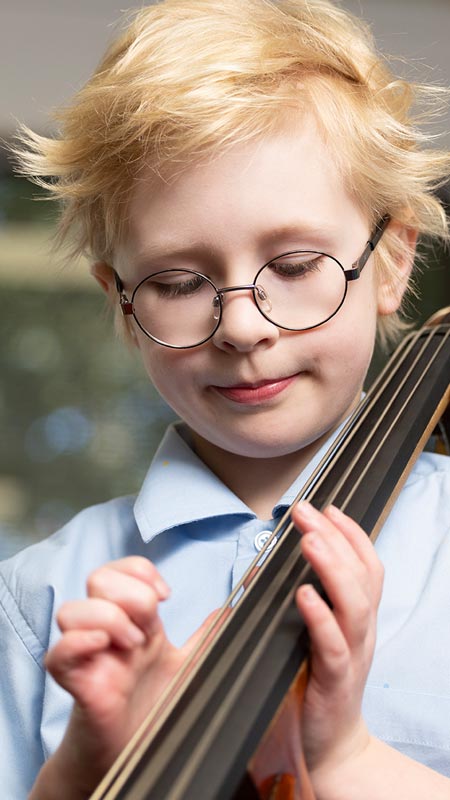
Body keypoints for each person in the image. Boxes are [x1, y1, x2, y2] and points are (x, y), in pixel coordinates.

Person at [1, 0, 450, 797]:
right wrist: (85, 768)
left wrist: (343, 757)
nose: (242, 326)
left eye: (297, 265)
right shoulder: (37, 598)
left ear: (392, 261)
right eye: (178, 283)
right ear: (123, 305)